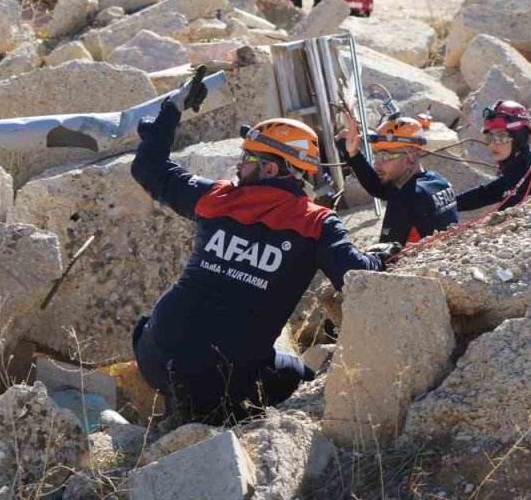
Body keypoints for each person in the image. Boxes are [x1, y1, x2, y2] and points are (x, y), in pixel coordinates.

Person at [129, 70, 386, 424]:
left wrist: (171, 109)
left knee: (147, 327)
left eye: (247, 157)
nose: (239, 164)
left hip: (154, 359)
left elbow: (148, 166)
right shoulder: (316, 223)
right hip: (228, 379)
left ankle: (181, 409)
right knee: (303, 378)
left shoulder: (215, 197)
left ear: (269, 167)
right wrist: (382, 256)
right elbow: (358, 277)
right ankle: (210, 413)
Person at [337, 111, 459, 247]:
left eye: (385, 156)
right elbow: (380, 189)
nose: (376, 163)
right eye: (376, 155)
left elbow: (385, 257)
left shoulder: (406, 198)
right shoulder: (438, 182)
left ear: (410, 156)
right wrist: (353, 154)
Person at [456, 100, 531, 212]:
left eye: (501, 137)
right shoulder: (524, 165)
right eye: (489, 137)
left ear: (518, 139)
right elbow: (486, 193)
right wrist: (449, 205)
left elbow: (507, 214)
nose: (492, 144)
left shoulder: (528, 174)